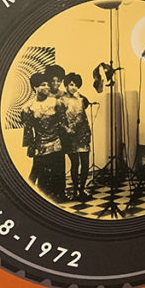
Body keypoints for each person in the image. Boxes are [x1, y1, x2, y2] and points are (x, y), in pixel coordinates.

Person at [20, 71, 67, 201]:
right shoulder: (28, 107)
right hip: (41, 144)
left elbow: (63, 123)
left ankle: (60, 195)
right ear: (35, 87)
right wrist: (29, 146)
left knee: (59, 170)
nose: (47, 87)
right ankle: (42, 198)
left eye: (47, 84)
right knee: (41, 174)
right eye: (43, 85)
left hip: (57, 142)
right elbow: (28, 129)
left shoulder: (56, 103)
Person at [61, 72, 92, 201]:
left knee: (85, 163)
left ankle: (82, 189)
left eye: (76, 86)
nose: (74, 88)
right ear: (66, 85)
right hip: (70, 135)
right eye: (71, 85)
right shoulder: (62, 99)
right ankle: (75, 189)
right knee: (75, 163)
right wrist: (67, 129)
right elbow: (60, 118)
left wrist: (78, 95)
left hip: (83, 133)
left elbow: (86, 105)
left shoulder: (81, 98)